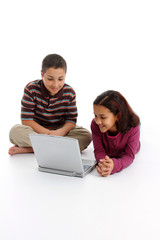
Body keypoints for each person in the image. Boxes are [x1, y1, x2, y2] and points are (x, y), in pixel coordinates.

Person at [9, 54, 92, 155]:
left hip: (60, 131)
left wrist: (60, 133)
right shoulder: (31, 89)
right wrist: (48, 134)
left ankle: (32, 149)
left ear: (65, 76)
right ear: (42, 74)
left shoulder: (70, 92)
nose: (55, 84)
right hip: (37, 130)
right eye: (50, 79)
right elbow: (26, 120)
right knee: (15, 132)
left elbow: (71, 121)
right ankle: (59, 147)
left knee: (86, 136)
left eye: (60, 79)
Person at [91, 90, 140, 177]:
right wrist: (104, 165)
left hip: (128, 146)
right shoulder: (95, 125)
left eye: (103, 117)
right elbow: (99, 151)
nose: (97, 121)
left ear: (117, 116)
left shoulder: (133, 127)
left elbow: (129, 156)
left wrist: (114, 165)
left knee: (135, 138)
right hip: (109, 153)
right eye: (95, 115)